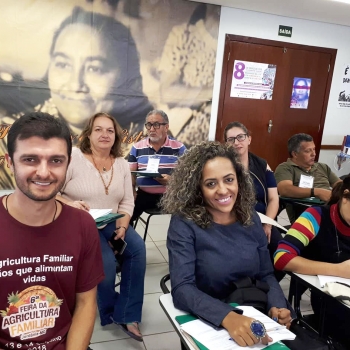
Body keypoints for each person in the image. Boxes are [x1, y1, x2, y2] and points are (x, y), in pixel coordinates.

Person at [0, 6, 153, 190]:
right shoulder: (11, 139)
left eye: (94, 68)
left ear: (127, 81)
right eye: (63, 64)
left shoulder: (147, 143)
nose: (75, 84)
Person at [161, 141, 292, 347]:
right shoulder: (184, 223)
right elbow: (182, 288)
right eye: (211, 183)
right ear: (198, 188)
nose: (223, 190)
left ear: (239, 180)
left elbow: (266, 274)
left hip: (253, 310)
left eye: (229, 180)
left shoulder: (251, 217)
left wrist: (277, 305)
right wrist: (229, 317)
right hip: (210, 317)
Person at [0, 112, 104, 349]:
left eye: (56, 160)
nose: (44, 172)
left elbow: (86, 304)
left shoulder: (83, 225)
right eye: (30, 160)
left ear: (68, 163)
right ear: (9, 161)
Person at [57, 112, 146, 342]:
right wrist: (71, 204)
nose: (104, 134)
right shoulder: (74, 157)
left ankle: (127, 314)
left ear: (116, 136)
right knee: (104, 262)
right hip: (79, 222)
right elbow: (53, 193)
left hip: (110, 220)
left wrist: (124, 226)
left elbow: (127, 201)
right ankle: (108, 310)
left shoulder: (122, 164)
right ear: (89, 133)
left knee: (137, 249)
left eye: (109, 130)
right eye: (98, 129)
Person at [274, 177, 350, 348]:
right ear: (345, 196)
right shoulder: (316, 216)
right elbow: (282, 257)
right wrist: (339, 270)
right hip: (330, 299)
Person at [224, 122, 284, 281]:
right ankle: (246, 285)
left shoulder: (262, 165)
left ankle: (266, 285)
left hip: (263, 218)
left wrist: (268, 224)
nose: (236, 142)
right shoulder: (222, 165)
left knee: (282, 254)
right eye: (231, 139)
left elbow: (273, 199)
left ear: (249, 139)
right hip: (233, 218)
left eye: (240, 137)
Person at [128, 110, 186, 224]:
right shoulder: (137, 148)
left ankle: (180, 239)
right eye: (148, 125)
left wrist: (172, 181)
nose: (151, 129)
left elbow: (188, 176)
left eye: (156, 125)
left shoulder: (179, 148)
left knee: (187, 219)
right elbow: (131, 174)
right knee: (125, 217)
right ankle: (125, 239)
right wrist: (132, 192)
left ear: (166, 127)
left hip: (171, 196)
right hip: (144, 195)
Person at [275, 133, 341, 223]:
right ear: (295, 154)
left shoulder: (322, 167)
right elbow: (285, 189)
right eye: (308, 151)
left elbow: (340, 185)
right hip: (308, 214)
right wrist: (317, 192)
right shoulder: (286, 167)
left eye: (314, 149)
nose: (313, 154)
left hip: (335, 208)